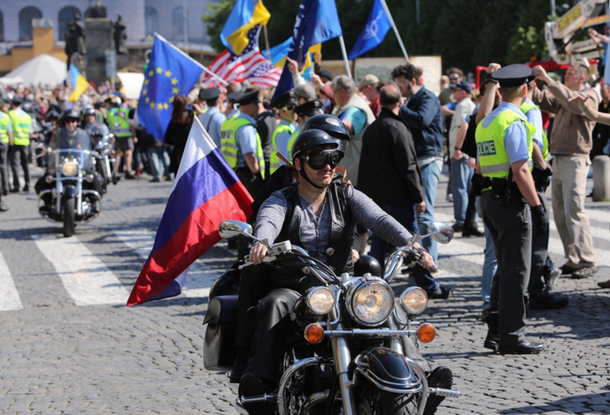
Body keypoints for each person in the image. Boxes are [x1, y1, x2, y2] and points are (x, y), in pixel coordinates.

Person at [239, 129, 436, 413]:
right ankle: (262, 385)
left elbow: (379, 218)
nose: (328, 166)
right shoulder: (282, 198)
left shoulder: (346, 195)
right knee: (275, 302)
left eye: (333, 158)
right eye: (318, 159)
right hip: (298, 285)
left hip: (343, 285)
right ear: (299, 164)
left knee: (384, 296)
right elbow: (269, 219)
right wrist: (262, 241)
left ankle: (419, 370)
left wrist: (412, 245)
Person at [475, 64, 548, 354]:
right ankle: (512, 336)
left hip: (489, 199)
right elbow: (521, 170)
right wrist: (537, 205)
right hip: (511, 201)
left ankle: (495, 330)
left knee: (503, 268)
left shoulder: (487, 121)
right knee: (516, 270)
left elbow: (480, 166)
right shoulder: (514, 121)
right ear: (526, 89)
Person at [358, 84, 450, 299]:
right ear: (401, 103)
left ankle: (373, 284)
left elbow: (366, 167)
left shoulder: (372, 129)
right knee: (412, 243)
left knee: (379, 245)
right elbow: (409, 167)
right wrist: (418, 196)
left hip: (378, 198)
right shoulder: (399, 128)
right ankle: (427, 284)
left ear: (380, 102)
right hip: (398, 198)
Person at [531, 63, 598, 279]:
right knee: (560, 212)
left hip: (576, 159)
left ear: (581, 78)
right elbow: (543, 99)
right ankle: (573, 258)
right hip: (559, 158)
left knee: (575, 210)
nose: (565, 76)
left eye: (569, 74)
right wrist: (529, 83)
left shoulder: (589, 95)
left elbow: (573, 105)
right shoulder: (564, 96)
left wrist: (549, 81)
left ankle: (587, 260)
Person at [392, 63, 444, 274]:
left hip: (428, 159)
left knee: (425, 215)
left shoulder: (427, 98)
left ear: (412, 82)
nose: (399, 87)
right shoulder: (412, 100)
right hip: (415, 161)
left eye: (401, 83)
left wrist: (400, 108)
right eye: (397, 84)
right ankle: (416, 261)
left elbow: (422, 120)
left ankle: (430, 263)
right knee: (414, 215)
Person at [330, 75, 376, 186]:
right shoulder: (350, 105)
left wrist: (326, 125)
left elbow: (348, 126)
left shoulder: (355, 108)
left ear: (342, 92)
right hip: (355, 171)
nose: (333, 97)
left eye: (334, 93)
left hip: (357, 175)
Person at [220, 90, 266, 198]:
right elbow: (249, 154)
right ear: (250, 106)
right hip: (246, 174)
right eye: (256, 104)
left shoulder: (229, 122)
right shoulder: (246, 127)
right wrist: (256, 173)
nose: (259, 107)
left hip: (231, 172)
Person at [448, 80, 476, 232]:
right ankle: (469, 219)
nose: (453, 93)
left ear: (464, 92)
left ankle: (461, 220)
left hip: (462, 153)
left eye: (456, 90)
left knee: (460, 188)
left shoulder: (463, 105)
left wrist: (458, 148)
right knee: (468, 188)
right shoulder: (469, 104)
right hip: (468, 153)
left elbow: (464, 126)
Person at [8, 97, 33, 193]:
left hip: (15, 142)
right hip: (25, 142)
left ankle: (17, 185)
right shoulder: (27, 116)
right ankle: (27, 184)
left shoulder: (11, 114)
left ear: (13, 105)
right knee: (25, 164)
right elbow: (31, 131)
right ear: (21, 105)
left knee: (15, 165)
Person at [164, 95, 193, 176]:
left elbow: (167, 138)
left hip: (178, 155)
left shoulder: (174, 121)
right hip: (190, 154)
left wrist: (176, 142)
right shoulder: (191, 120)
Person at [107, 99, 136, 179]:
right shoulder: (126, 110)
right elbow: (131, 123)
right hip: (126, 134)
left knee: (117, 153)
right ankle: (127, 170)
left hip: (116, 134)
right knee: (127, 153)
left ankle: (115, 171)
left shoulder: (111, 111)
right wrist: (134, 135)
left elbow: (109, 122)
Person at [269, 91, 296, 174]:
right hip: (283, 180)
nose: (294, 111)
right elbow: (285, 163)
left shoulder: (290, 127)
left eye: (295, 107)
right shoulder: (284, 132)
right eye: (290, 108)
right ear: (281, 112)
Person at [0, 99, 13, 197]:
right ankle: (6, 188)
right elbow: (10, 132)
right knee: (4, 167)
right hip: (4, 143)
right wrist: (11, 143)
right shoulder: (6, 117)